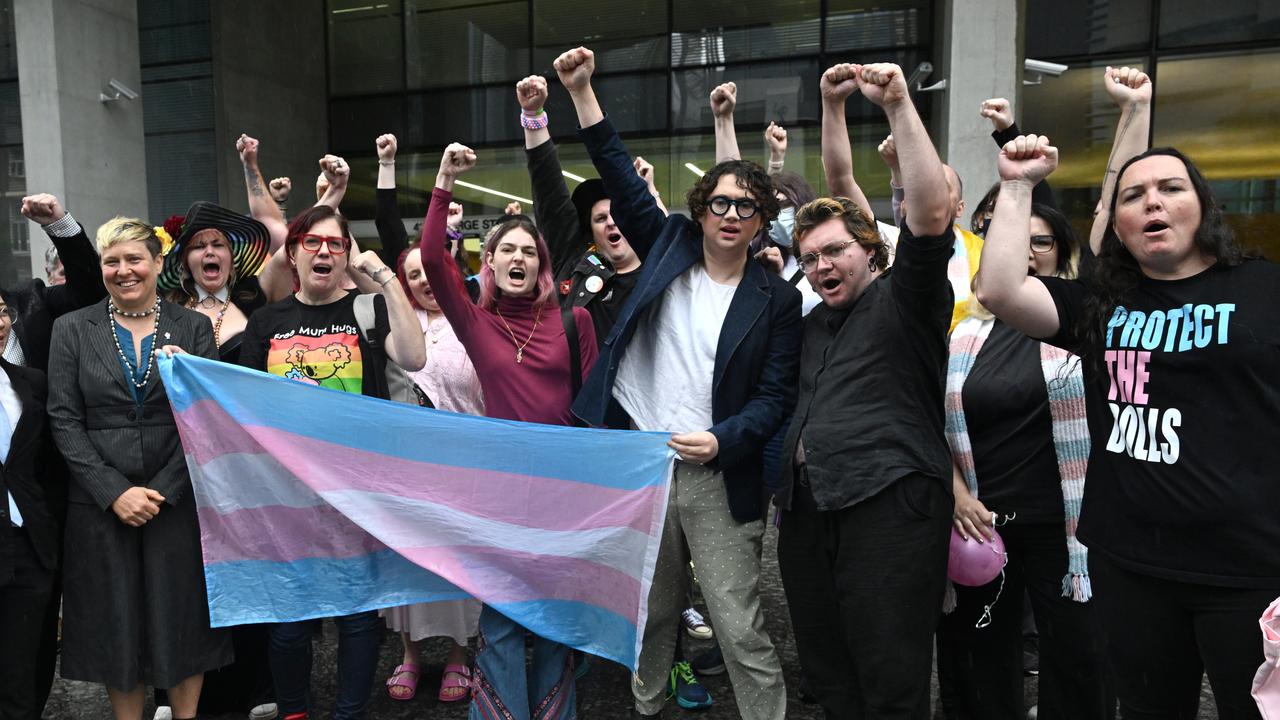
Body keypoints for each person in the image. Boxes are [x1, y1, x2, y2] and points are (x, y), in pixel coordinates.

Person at [973, 125, 1280, 716]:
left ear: (1203, 207)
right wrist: (1017, 186)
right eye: (1133, 196)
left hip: (1248, 570)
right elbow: (1001, 288)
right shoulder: (1101, 303)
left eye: (1170, 188)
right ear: (1118, 227)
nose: (1152, 202)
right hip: (1130, 563)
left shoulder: (1264, 289)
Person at [557, 46, 801, 720]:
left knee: (738, 620)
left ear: (758, 223)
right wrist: (581, 90)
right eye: (720, 201)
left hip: (717, 474)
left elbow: (776, 398)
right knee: (652, 611)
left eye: (745, 207)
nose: (730, 213)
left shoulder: (774, 297)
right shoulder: (666, 244)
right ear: (701, 209)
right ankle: (645, 706)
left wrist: (723, 440)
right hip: (639, 461)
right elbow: (616, 171)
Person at [775, 62, 955, 719]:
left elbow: (931, 211)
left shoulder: (907, 297)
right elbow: (833, 182)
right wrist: (828, 106)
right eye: (811, 256)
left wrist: (899, 104)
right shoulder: (812, 323)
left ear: (874, 251)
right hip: (806, 513)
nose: (822, 264)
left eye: (836, 251)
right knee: (828, 673)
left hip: (889, 505)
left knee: (890, 675)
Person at [423, 142, 598, 720]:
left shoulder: (576, 321)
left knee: (554, 623)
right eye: (507, 251)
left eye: (530, 251)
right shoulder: (477, 322)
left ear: (542, 266)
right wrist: (445, 177)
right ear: (489, 263)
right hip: (499, 493)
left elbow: (592, 410)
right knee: (498, 623)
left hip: (563, 492)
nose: (518, 258)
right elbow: (430, 256)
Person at [239, 204, 424, 720]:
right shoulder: (267, 321)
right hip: (287, 494)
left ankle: (349, 712)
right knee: (290, 621)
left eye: (336, 244)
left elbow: (414, 359)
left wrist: (383, 276)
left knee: (359, 617)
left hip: (356, 490)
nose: (324, 251)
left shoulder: (368, 310)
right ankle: (294, 710)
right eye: (313, 243)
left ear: (348, 253)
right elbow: (246, 405)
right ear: (293, 253)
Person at [47, 217, 231, 720]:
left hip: (176, 498)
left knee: (182, 618)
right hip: (100, 504)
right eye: (112, 261)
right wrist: (114, 491)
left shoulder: (193, 327)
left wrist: (164, 489)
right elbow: (63, 418)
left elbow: (205, 416)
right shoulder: (71, 329)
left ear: (156, 264)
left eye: (134, 259)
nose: (123, 270)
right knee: (116, 622)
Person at [938, 203, 1112, 720]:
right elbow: (932, 426)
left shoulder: (1086, 322)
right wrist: (957, 493)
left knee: (1080, 654)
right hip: (984, 526)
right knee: (983, 651)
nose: (1029, 251)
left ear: (1061, 253)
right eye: (1018, 239)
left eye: (1043, 241)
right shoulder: (963, 335)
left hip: (1067, 527)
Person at [379, 212, 485, 704]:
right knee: (409, 565)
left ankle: (463, 654)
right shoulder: (396, 319)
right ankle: (411, 653)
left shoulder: (477, 316)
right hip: (405, 467)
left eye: (431, 269)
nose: (423, 280)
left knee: (462, 563)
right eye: (414, 273)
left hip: (467, 463)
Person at [515, 74, 653, 346]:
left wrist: (649, 193)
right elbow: (549, 191)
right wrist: (533, 115)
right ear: (591, 231)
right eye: (601, 218)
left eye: (618, 215)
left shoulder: (658, 266)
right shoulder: (574, 260)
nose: (612, 223)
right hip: (576, 388)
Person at [0, 296, 60, 720]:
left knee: (20, 677)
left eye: (1, 311)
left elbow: (48, 464)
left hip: (26, 544)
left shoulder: (29, 381)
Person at [157, 202, 274, 365]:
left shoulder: (255, 295)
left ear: (232, 259)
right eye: (199, 246)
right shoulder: (167, 308)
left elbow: (285, 253)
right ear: (186, 262)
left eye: (218, 245)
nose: (210, 252)